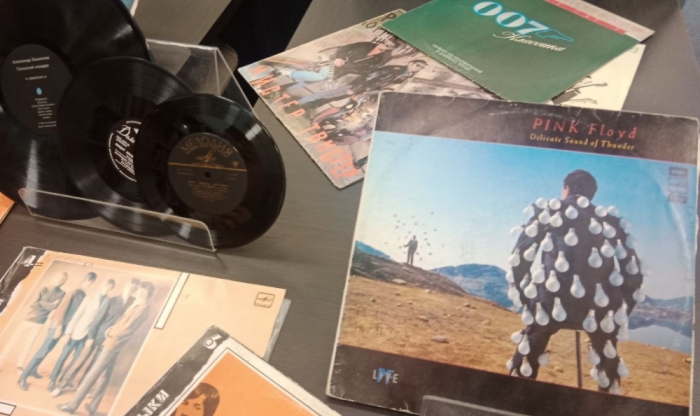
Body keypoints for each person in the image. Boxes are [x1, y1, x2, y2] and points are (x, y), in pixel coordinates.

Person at [506, 170, 644, 393]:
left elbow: (519, 260)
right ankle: (607, 405)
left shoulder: (548, 212)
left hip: (548, 302)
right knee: (608, 366)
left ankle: (513, 400)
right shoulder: (610, 220)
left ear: (566, 188)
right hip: (599, 309)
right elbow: (633, 272)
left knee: (526, 359)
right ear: (592, 194)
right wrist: (619, 312)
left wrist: (530, 302)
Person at [58, 281, 155, 415]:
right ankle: (93, 407)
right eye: (139, 290)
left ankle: (71, 406)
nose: (139, 293)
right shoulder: (137, 303)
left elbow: (128, 328)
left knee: (92, 375)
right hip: (115, 343)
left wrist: (109, 332)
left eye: (143, 292)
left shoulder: (143, 307)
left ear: (148, 295)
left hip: (113, 343)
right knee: (104, 376)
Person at [52, 278, 140, 397]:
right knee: (80, 361)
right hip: (96, 336)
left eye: (134, 288)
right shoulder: (111, 300)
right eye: (130, 286)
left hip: (110, 341)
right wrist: (91, 337)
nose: (132, 289)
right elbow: (97, 319)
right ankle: (62, 385)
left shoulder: (133, 304)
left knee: (94, 366)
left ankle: (81, 388)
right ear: (125, 285)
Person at [17, 272, 97, 390]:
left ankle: (33, 370)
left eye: (91, 282)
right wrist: (59, 327)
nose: (89, 284)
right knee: (44, 350)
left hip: (66, 328)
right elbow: (61, 309)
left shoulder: (84, 295)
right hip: (57, 326)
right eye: (89, 282)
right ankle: (23, 377)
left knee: (48, 350)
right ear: (86, 281)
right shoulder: (74, 292)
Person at [48, 279, 115, 391]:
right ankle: (53, 380)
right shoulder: (89, 299)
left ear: (111, 289)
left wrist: (92, 336)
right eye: (106, 285)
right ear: (100, 286)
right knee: (64, 356)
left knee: (77, 359)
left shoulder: (107, 302)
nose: (107, 288)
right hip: (76, 332)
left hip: (88, 336)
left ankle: (64, 379)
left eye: (110, 287)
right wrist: (68, 332)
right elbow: (77, 316)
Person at [0, 272, 67, 372]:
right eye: (58, 277)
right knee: (12, 341)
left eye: (62, 280)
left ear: (64, 282)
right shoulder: (44, 289)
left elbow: (55, 307)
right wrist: (48, 305)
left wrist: (41, 303)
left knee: (29, 345)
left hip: (40, 322)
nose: (59, 280)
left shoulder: (62, 293)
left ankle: (19, 365)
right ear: (54, 277)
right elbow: (33, 304)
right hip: (28, 319)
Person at [297, 60, 428, 109]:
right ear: (410, 63)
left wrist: (364, 92)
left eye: (421, 67)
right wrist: (356, 88)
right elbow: (370, 77)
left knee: (334, 98)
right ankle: (300, 103)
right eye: (417, 65)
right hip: (358, 86)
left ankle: (307, 106)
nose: (418, 68)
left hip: (363, 89)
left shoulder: (404, 75)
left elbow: (382, 85)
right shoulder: (394, 69)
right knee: (329, 94)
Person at [281, 38, 399, 90]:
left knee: (312, 81)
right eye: (385, 43)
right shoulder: (365, 45)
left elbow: (365, 70)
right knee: (318, 74)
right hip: (333, 62)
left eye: (388, 46)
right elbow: (346, 48)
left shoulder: (378, 59)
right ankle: (289, 73)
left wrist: (350, 67)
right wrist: (340, 58)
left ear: (390, 49)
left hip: (343, 71)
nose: (384, 46)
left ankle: (284, 87)